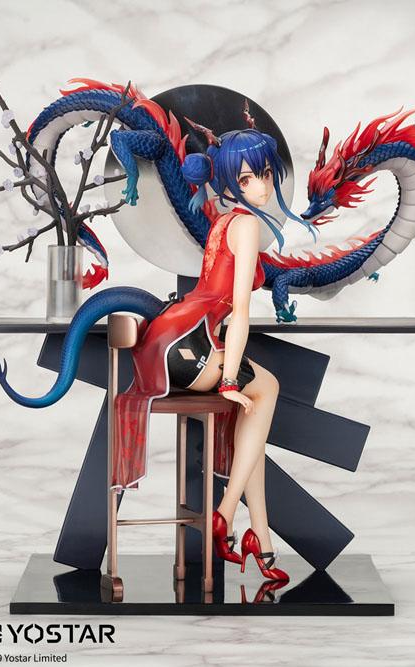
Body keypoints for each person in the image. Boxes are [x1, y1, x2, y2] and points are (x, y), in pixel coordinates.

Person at [111, 118, 319, 583]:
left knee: (254, 417)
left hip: (168, 344)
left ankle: (261, 538)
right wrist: (227, 381)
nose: (261, 185)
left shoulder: (224, 221)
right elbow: (239, 310)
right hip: (188, 349)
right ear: (227, 182)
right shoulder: (245, 226)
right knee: (266, 390)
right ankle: (224, 514)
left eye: (265, 174)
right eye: (247, 178)